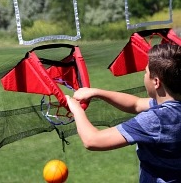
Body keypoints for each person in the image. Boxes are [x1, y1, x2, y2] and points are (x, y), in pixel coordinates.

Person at [65, 43, 181, 183]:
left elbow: (92, 140)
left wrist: (76, 109)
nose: (144, 76)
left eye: (146, 72)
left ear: (156, 82)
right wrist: (97, 92)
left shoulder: (156, 120)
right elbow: (136, 104)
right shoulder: (173, 108)